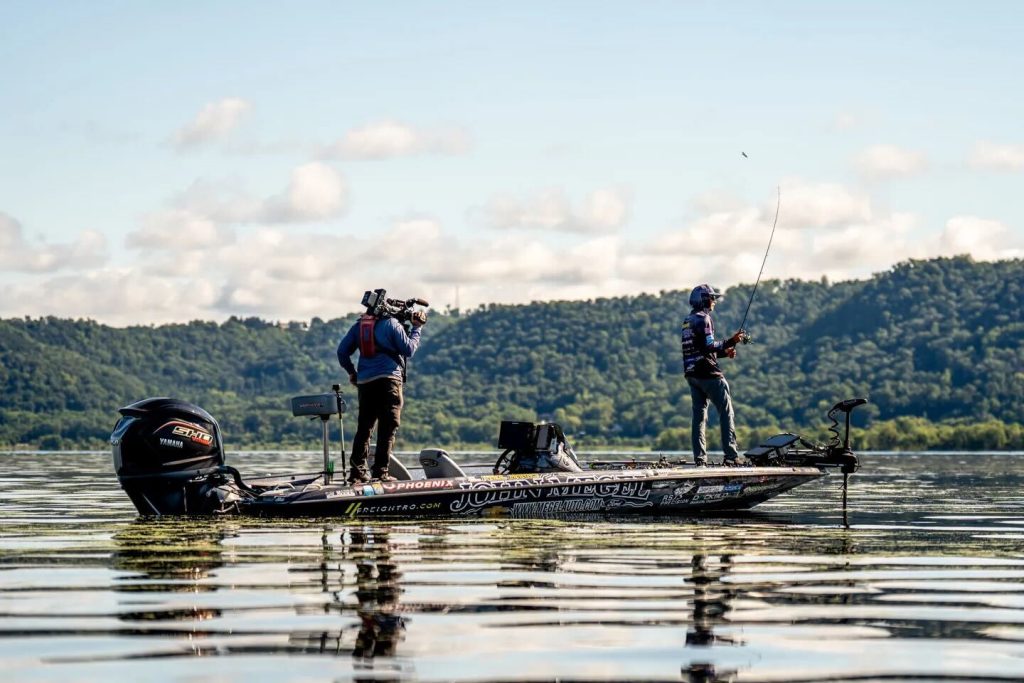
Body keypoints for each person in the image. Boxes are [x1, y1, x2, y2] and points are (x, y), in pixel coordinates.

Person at [337, 299, 426, 483]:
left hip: (365, 382)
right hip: (389, 381)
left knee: (365, 428)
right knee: (388, 427)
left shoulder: (359, 326)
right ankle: (380, 472)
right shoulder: (392, 324)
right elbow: (409, 349)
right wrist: (417, 328)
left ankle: (357, 472)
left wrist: (352, 373)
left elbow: (342, 352)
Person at [681, 284, 746, 466]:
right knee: (726, 413)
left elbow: (701, 349)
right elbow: (709, 346)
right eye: (712, 297)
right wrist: (731, 341)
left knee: (699, 418)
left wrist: (725, 352)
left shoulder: (688, 320)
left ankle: (700, 459)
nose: (714, 301)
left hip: (692, 375)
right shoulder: (704, 319)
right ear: (704, 300)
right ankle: (731, 457)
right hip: (709, 375)